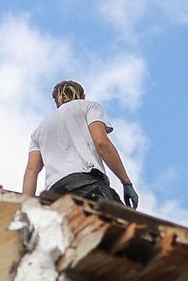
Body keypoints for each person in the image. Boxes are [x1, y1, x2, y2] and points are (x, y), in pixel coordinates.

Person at [21, 79, 139, 208]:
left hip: (55, 195)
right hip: (86, 185)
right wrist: (126, 182)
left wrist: (26, 207)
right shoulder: (88, 107)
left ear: (57, 102)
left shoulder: (39, 131)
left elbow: (31, 170)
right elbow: (101, 143)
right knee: (117, 223)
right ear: (82, 96)